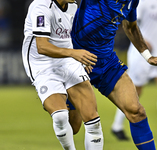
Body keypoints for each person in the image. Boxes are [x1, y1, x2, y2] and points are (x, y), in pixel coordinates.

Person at [70, 0, 157, 149]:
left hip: (106, 63)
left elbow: (130, 26)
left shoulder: (133, 1)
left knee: (137, 111)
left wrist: (147, 56)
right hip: (77, 60)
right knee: (73, 126)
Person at [22, 0, 104, 150]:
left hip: (68, 62)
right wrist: (74, 54)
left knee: (92, 120)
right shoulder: (41, 6)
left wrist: (82, 57)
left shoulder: (72, 6)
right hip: (43, 65)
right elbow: (42, 46)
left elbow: (70, 37)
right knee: (60, 117)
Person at [111, 0, 157, 140]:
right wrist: (144, 42)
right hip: (142, 51)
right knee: (135, 91)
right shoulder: (142, 2)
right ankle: (117, 126)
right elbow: (130, 24)